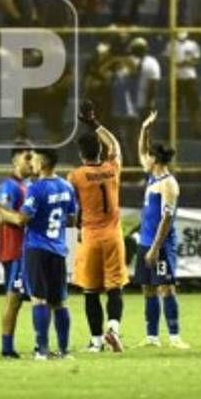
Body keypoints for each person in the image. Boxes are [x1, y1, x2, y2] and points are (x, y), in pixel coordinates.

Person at [0, 146, 78, 360]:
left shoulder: (35, 188)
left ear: (42, 164)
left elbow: (20, 219)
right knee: (59, 302)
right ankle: (63, 351)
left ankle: (41, 349)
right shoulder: (66, 186)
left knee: (37, 300)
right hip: (58, 249)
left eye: (33, 159)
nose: (31, 162)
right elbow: (72, 220)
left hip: (35, 250)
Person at [67, 100, 128, 354]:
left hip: (90, 237)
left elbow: (72, 209)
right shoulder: (112, 169)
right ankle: (113, 328)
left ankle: (95, 342)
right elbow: (115, 145)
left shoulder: (76, 175)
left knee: (91, 291)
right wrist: (95, 123)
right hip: (113, 236)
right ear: (99, 152)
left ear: (82, 154)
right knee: (115, 286)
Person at [135, 115, 187, 348]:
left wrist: (156, 248)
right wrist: (145, 129)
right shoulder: (152, 176)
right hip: (145, 242)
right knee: (147, 288)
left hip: (161, 244)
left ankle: (175, 336)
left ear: (155, 159)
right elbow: (141, 151)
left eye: (149, 156)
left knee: (166, 287)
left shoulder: (168, 184)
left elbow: (167, 218)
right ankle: (152, 336)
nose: (144, 159)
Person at [0, 144, 34, 358]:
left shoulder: (28, 184)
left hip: (27, 250)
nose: (31, 162)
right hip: (16, 251)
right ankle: (7, 348)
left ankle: (39, 344)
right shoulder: (10, 187)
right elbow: (3, 216)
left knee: (32, 298)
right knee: (14, 298)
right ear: (15, 161)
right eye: (27, 157)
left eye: (33, 157)